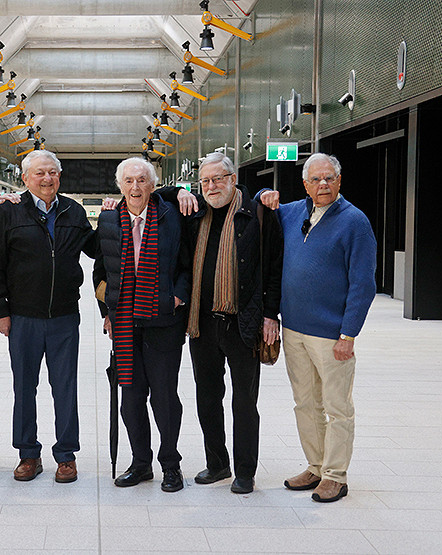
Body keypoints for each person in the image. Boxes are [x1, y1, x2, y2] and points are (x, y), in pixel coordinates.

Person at [259, 152, 376, 503]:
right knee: (305, 403)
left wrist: (348, 334)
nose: (322, 184)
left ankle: (336, 476)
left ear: (339, 181)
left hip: (331, 335)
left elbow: (363, 284)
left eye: (329, 178)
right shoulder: (293, 212)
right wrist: (264, 193)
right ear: (305, 184)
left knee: (337, 406)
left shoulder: (355, 222)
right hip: (293, 330)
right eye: (315, 179)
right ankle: (315, 465)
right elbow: (258, 208)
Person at [0, 149, 95, 484]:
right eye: (39, 173)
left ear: (60, 177)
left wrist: (112, 215)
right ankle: (28, 454)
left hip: (63, 317)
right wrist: (0, 311)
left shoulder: (73, 211)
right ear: (25, 178)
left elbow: (96, 248)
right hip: (23, 317)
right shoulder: (10, 212)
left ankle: (66, 456)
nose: (47, 179)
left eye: (52, 173)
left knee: (65, 387)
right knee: (24, 387)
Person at [182, 152, 283, 495]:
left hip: (243, 322)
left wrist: (271, 314)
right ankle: (217, 463)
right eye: (205, 181)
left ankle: (244, 471)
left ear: (232, 179)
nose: (211, 187)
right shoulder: (195, 213)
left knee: (244, 402)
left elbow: (273, 267)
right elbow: (156, 196)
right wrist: (177, 192)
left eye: (218, 179)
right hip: (202, 324)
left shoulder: (257, 213)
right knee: (207, 398)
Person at [94, 157, 191, 492]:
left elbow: (186, 264)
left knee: (164, 398)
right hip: (124, 324)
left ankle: (171, 464)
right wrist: (106, 311)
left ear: (153, 184)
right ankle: (140, 462)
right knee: (131, 398)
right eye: (129, 181)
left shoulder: (172, 216)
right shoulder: (108, 220)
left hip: (163, 322)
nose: (135, 187)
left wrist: (177, 297)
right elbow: (100, 272)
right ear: (120, 185)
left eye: (142, 180)